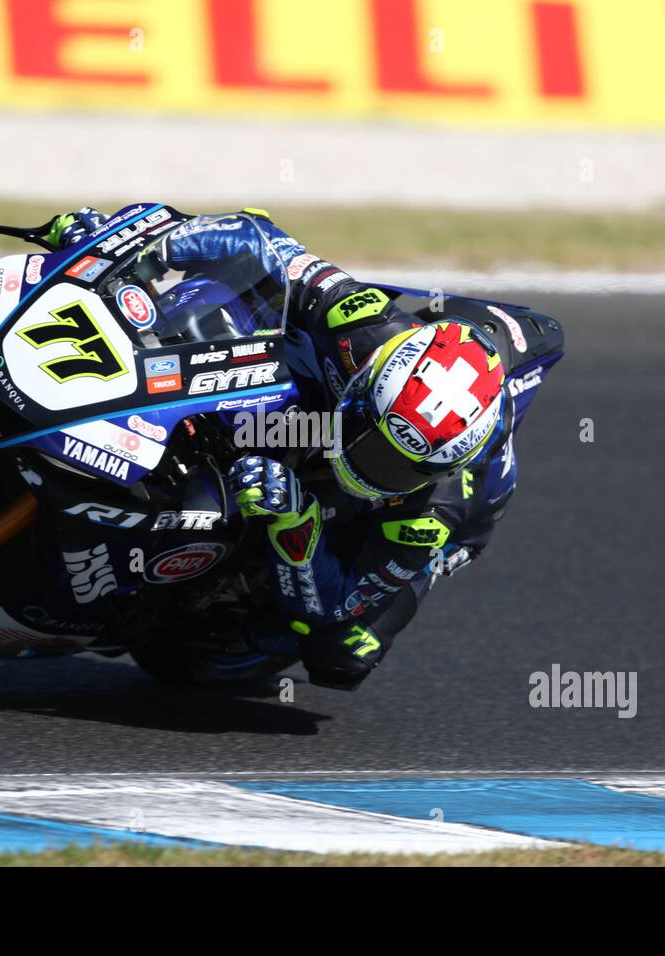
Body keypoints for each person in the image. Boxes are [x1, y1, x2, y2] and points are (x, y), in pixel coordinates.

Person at [47, 206, 560, 690]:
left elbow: (336, 603)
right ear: (369, 383)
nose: (369, 463)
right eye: (375, 442)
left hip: (405, 530)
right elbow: (258, 236)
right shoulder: (362, 323)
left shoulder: (432, 512)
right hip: (322, 417)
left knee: (343, 653)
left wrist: (296, 519)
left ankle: (222, 615)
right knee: (225, 305)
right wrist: (127, 250)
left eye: (399, 467)